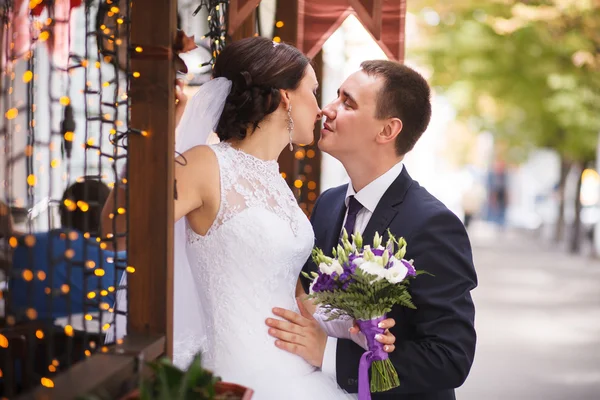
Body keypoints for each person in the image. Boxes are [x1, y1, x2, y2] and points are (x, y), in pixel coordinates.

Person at [109, 37, 396, 399]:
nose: (322, 108)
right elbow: (118, 228)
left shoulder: (275, 181)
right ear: (285, 97)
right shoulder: (204, 164)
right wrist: (161, 132)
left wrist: (350, 324)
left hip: (300, 373)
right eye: (314, 90)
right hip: (240, 376)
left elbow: (289, 291)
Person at [285, 61, 477, 399]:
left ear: (387, 131)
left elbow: (450, 358)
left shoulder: (433, 225)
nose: (327, 110)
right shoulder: (328, 205)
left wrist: (329, 354)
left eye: (348, 102)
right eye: (335, 97)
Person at [8, 178, 125, 321]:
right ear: (106, 214)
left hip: (27, 340)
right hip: (100, 341)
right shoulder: (118, 258)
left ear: (63, 211)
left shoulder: (29, 245)